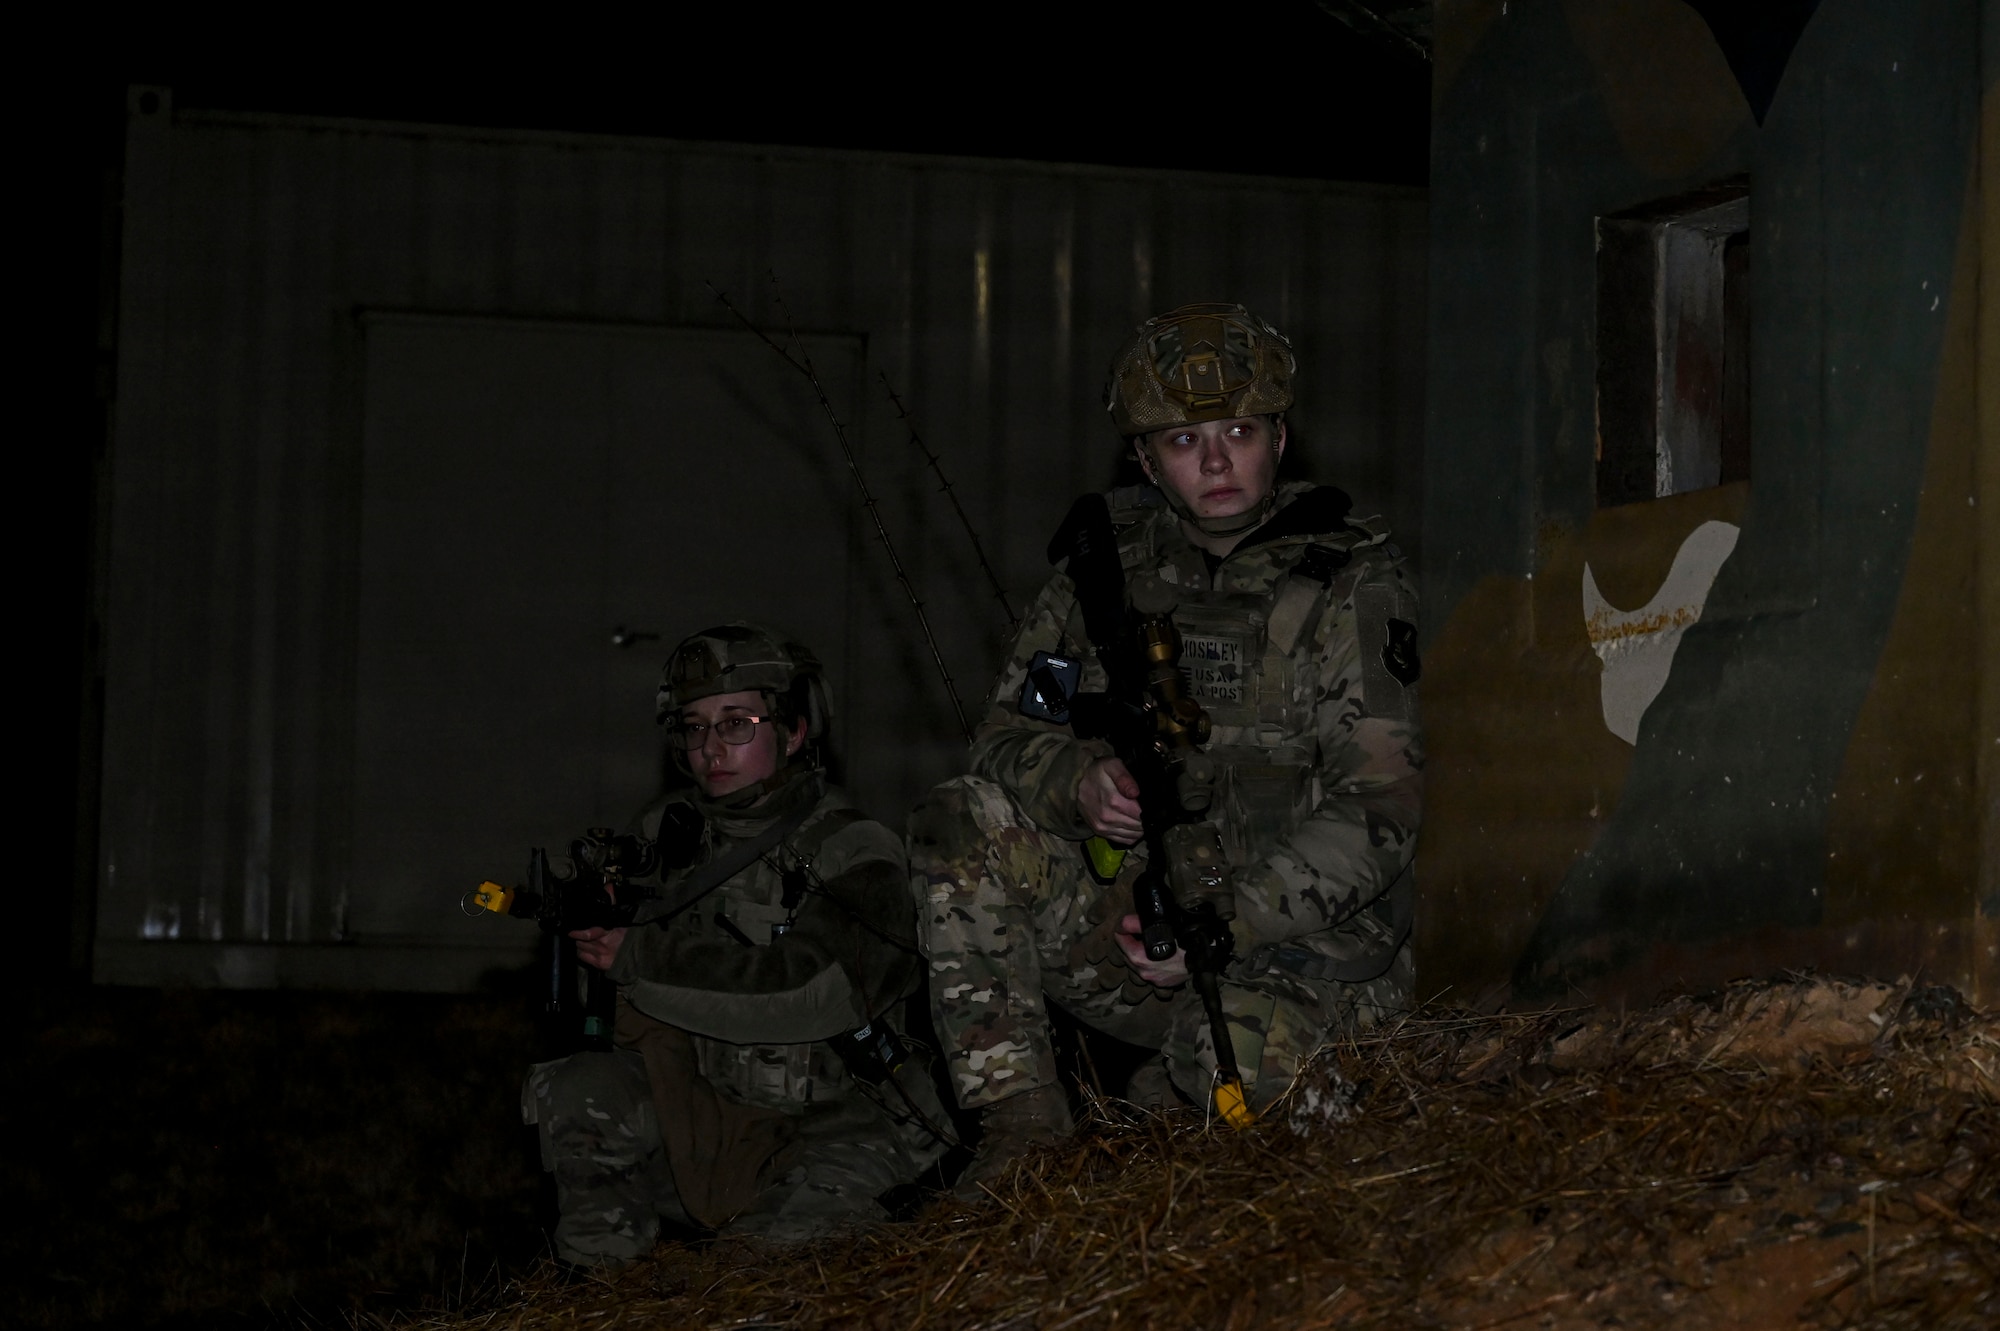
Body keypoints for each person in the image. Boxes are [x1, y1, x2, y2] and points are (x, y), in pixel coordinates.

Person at [909, 302, 1423, 1188]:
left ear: (1280, 438)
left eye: (1239, 431)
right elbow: (1003, 735)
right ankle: (1022, 1129)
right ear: (1146, 462)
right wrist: (1075, 778)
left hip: (1300, 945)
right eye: (1185, 441)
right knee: (961, 818)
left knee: (1233, 1071)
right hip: (1139, 935)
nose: (1217, 461)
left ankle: (1178, 1102)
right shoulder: (1098, 578)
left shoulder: (1352, 581)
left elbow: (1381, 807)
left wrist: (1231, 920)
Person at [523, 623, 950, 1266]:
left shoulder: (855, 851)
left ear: (795, 730)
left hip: (838, 1122)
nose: (711, 748)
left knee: (753, 1282)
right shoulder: (669, 836)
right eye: (694, 727)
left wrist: (640, 958)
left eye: (737, 722)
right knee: (580, 1087)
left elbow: (813, 994)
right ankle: (599, 1287)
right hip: (708, 1106)